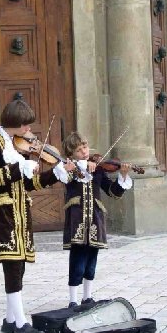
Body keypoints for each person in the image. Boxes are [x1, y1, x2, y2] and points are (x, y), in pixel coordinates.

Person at [0, 100, 76, 333]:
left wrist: (56, 173)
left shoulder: (19, 147)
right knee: (11, 263)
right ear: (15, 122)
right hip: (2, 211)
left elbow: (31, 183)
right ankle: (21, 324)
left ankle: (10, 320)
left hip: (21, 211)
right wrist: (19, 167)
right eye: (25, 125)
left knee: (19, 264)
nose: (29, 131)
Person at [61, 131, 133, 307]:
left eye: (85, 147)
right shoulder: (69, 169)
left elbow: (112, 191)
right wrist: (83, 165)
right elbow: (67, 177)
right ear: (71, 154)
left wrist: (122, 176)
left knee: (92, 257)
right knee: (77, 258)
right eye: (79, 150)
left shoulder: (99, 169)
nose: (84, 151)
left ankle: (87, 296)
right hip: (77, 219)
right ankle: (73, 300)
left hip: (95, 218)